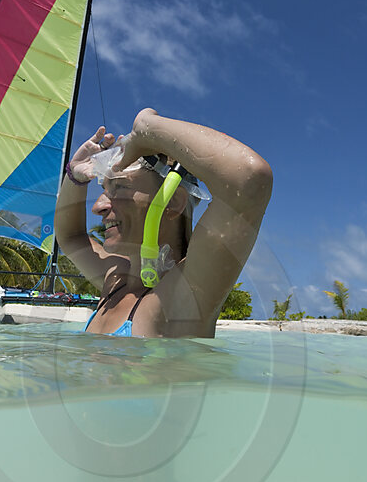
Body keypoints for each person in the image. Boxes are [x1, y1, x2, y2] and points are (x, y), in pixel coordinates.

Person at [55, 108, 272, 338]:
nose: (97, 207)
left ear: (173, 202)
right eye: (104, 189)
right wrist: (75, 177)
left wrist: (146, 128)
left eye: (120, 187)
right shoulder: (115, 280)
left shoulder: (184, 295)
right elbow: (71, 237)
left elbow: (250, 179)